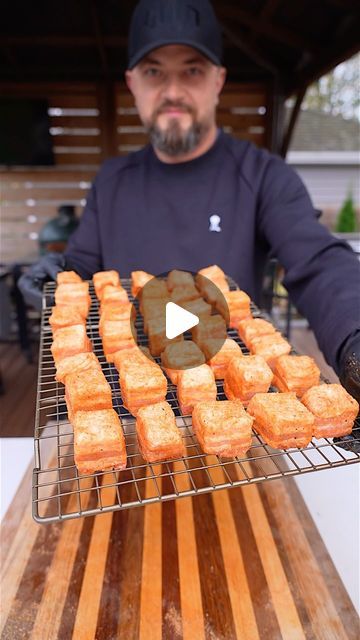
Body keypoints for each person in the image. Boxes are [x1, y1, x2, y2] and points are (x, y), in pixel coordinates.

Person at [19, 0, 359, 448]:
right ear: (132, 84)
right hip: (126, 412)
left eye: (193, 70)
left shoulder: (262, 176)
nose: (173, 90)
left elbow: (317, 261)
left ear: (218, 81)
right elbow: (83, 268)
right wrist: (58, 275)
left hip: (241, 415)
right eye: (154, 71)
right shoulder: (111, 181)